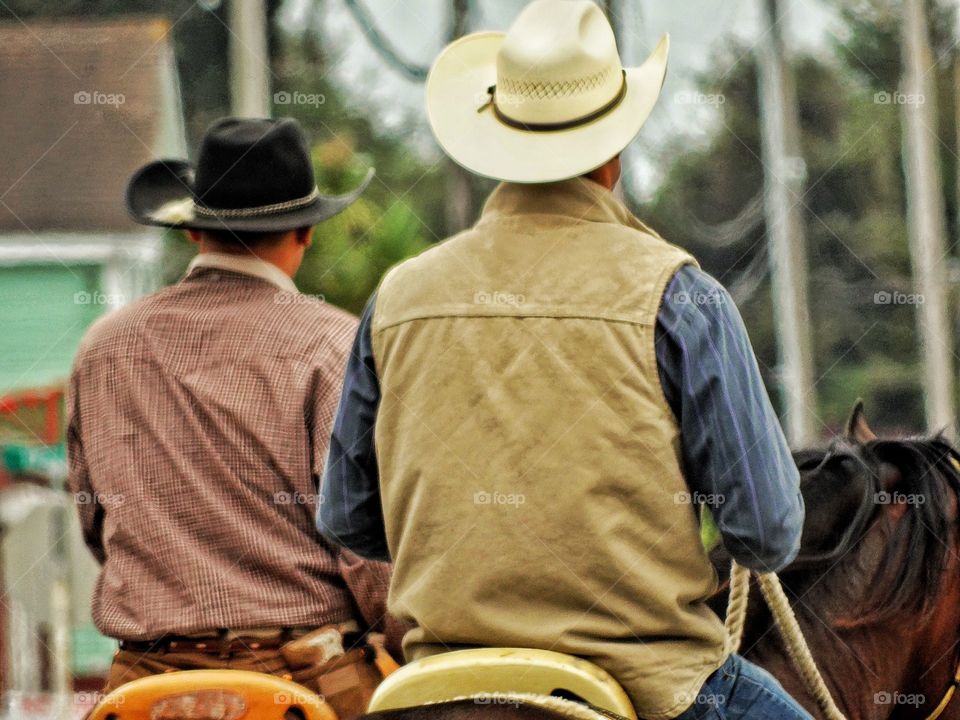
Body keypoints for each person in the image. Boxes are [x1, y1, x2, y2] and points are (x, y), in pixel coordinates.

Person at [318, 2, 810, 719]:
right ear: (615, 151)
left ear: (497, 138)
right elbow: (766, 532)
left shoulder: (399, 297)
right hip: (652, 683)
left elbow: (348, 519)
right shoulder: (681, 296)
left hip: (438, 680)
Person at [68, 117, 402, 719]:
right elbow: (366, 553)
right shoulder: (334, 346)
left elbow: (96, 518)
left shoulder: (105, 346)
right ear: (304, 232)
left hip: (144, 687)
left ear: (196, 234)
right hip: (304, 687)